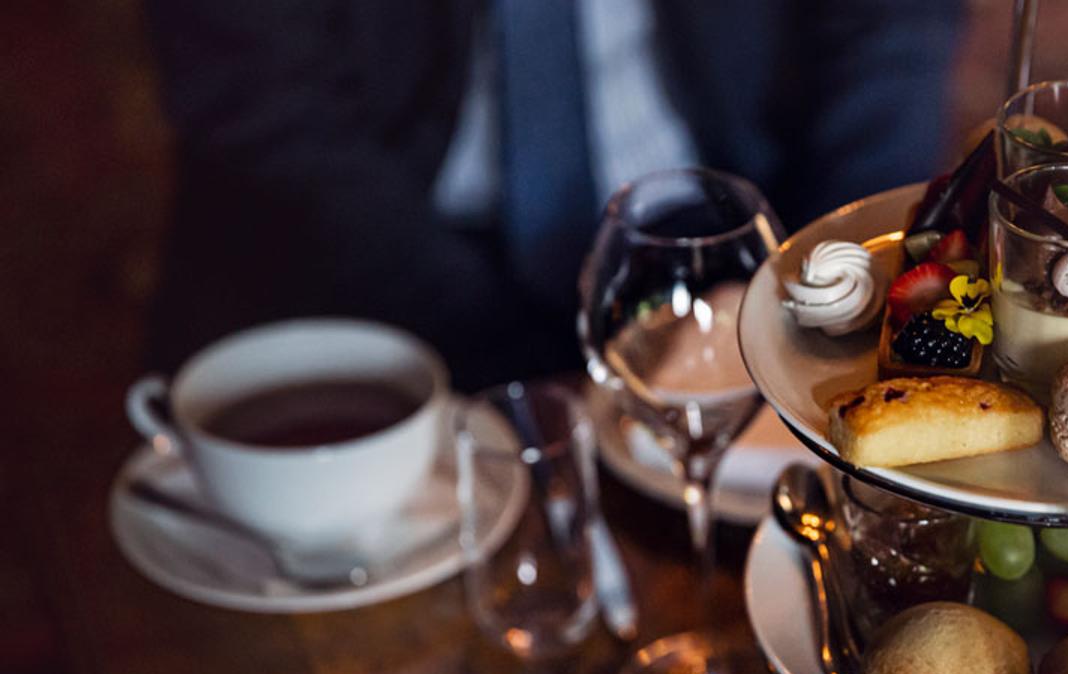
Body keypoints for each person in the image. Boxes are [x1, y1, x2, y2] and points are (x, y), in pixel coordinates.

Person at [142, 0, 967, 389]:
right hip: (364, 263)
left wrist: (830, 283)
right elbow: (261, 108)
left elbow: (888, 26)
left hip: (721, 234)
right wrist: (539, 376)